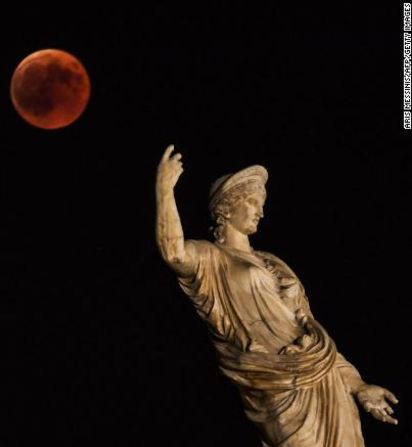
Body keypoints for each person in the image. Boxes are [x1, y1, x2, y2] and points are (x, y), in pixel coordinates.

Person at [155, 145, 397, 446]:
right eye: (253, 202)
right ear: (227, 208)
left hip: (322, 373)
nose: (261, 211)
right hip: (274, 381)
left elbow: (310, 325)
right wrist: (165, 191)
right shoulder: (211, 258)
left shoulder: (274, 263)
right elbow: (174, 253)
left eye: (262, 203)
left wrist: (358, 385)